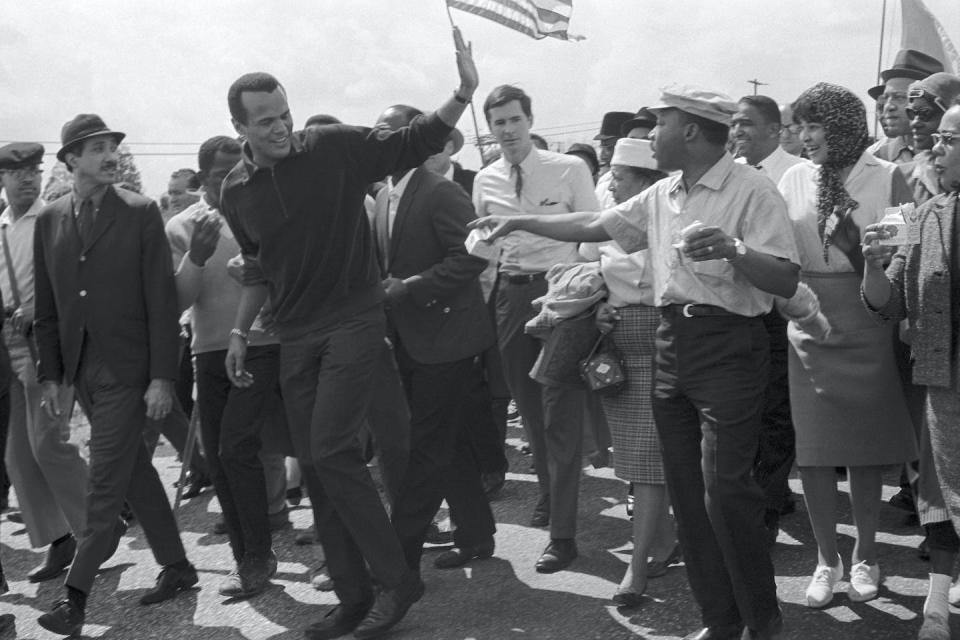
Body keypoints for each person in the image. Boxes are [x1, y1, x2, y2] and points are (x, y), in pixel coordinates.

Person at [472, 84, 800, 640]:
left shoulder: (753, 190)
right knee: (689, 497)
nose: (652, 136)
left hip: (729, 345)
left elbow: (786, 277)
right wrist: (520, 222)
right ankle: (720, 621)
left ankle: (760, 621)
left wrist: (735, 250)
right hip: (673, 342)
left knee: (725, 490)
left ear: (691, 131)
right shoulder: (664, 193)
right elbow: (594, 225)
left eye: (662, 124)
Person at [218, 28, 478, 640]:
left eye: (283, 114)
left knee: (332, 448)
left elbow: (413, 140)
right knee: (315, 462)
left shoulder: (334, 147)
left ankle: (398, 579)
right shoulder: (236, 191)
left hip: (356, 319)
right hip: (293, 335)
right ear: (241, 130)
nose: (280, 127)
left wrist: (461, 94)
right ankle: (353, 598)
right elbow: (257, 268)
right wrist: (238, 331)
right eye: (264, 122)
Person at [34, 114, 197, 636]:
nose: (109, 156)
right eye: (96, 148)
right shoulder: (50, 219)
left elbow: (160, 299)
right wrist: (53, 379)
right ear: (71, 160)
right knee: (132, 472)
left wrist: (162, 377)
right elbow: (48, 308)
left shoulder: (140, 211)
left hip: (129, 371)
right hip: (80, 369)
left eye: (111, 147)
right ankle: (178, 566)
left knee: (105, 485)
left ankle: (75, 599)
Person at [778, 83, 917, 610]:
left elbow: (900, 266)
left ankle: (865, 555)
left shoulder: (890, 177)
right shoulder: (792, 178)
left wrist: (851, 244)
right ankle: (825, 558)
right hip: (809, 318)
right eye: (802, 126)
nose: (806, 137)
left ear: (842, 126)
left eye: (815, 126)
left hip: (868, 314)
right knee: (812, 452)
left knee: (863, 451)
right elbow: (783, 259)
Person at [473, 84, 598, 574]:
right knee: (527, 410)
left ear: (530, 119)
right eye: (497, 123)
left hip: (562, 295)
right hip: (510, 295)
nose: (506, 131)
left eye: (513, 120)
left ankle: (562, 534)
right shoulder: (484, 180)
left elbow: (593, 231)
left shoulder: (569, 169)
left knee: (559, 414)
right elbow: (483, 251)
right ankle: (548, 492)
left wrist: (594, 295)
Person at [372, 104, 497, 572]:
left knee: (426, 446)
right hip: (410, 338)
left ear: (413, 139)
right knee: (450, 440)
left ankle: (395, 558)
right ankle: (476, 533)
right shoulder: (385, 195)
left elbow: (474, 255)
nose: (378, 141)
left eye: (388, 132)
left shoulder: (440, 192)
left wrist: (412, 288)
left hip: (448, 338)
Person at [165, 134, 288, 598]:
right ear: (202, 178)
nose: (233, 180)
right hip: (210, 351)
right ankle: (249, 558)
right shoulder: (181, 225)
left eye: (239, 170)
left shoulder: (263, 211)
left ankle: (262, 554)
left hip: (267, 344)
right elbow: (177, 299)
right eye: (221, 174)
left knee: (241, 448)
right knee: (219, 458)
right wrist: (196, 256)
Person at [862, 100, 960, 640]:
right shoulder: (925, 216)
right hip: (944, 383)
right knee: (943, 494)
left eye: (949, 138)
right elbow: (887, 304)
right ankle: (938, 607)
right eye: (937, 139)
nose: (936, 148)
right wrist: (874, 265)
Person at [580, 137, 678, 606]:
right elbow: (585, 264)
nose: (610, 181)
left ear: (644, 181)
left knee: (649, 464)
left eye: (619, 175)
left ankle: (636, 570)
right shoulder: (609, 215)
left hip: (661, 339)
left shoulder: (668, 217)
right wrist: (599, 302)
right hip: (617, 347)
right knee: (637, 463)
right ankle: (663, 541)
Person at [0, 142, 90, 584]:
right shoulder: (0, 226)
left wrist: (39, 311)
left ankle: (99, 526)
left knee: (48, 446)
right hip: (9, 346)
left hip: (47, 342)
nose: (28, 179)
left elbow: (76, 280)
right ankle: (61, 539)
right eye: (17, 173)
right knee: (18, 457)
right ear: (2, 178)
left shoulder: (54, 217)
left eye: (34, 171)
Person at [731, 95, 805, 540]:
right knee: (744, 409)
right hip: (735, 308)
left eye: (746, 124)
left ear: (775, 131)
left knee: (776, 410)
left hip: (779, 308)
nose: (737, 131)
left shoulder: (792, 174)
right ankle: (760, 496)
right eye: (734, 124)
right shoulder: (729, 175)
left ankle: (769, 509)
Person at [867, 49, 944, 168]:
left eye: (899, 97)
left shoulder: (951, 155)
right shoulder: (874, 159)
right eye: (885, 98)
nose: (888, 106)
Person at [905, 73, 960, 204]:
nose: (915, 122)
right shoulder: (904, 177)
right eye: (912, 113)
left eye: (925, 113)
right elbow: (903, 223)